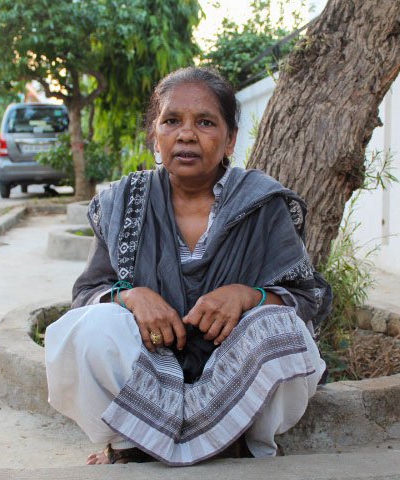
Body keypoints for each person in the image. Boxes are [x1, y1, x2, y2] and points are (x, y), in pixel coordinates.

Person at [44, 67, 332, 466]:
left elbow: (309, 298)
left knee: (282, 330)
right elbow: (87, 294)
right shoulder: (124, 201)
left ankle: (239, 439)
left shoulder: (263, 204)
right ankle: (132, 445)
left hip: (232, 374)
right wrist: (131, 296)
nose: (186, 134)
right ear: (154, 135)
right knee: (87, 328)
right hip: (149, 364)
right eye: (172, 121)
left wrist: (249, 296)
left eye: (206, 122)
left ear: (230, 139)